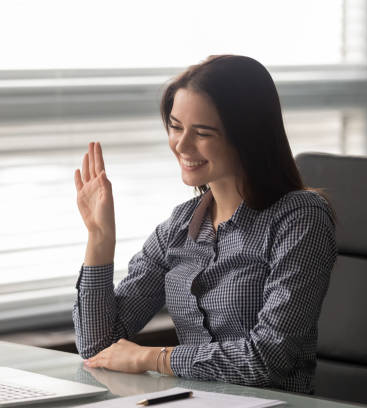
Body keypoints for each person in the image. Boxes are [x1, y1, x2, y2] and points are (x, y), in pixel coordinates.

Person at [72, 55, 336, 394]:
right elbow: (96, 346)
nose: (181, 145)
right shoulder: (179, 226)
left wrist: (152, 358)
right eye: (176, 126)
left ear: (247, 137)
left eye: (203, 133)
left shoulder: (300, 218)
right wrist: (100, 237)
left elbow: (268, 358)